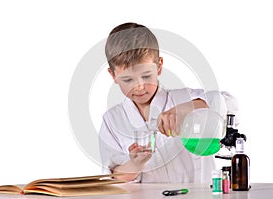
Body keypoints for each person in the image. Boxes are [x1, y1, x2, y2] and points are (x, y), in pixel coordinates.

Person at [99, 22, 236, 183]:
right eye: (128, 79)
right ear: (113, 75)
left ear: (159, 66)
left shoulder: (186, 98)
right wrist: (135, 164)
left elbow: (229, 104)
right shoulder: (113, 120)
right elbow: (114, 176)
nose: (139, 86)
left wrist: (188, 108)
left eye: (146, 76)